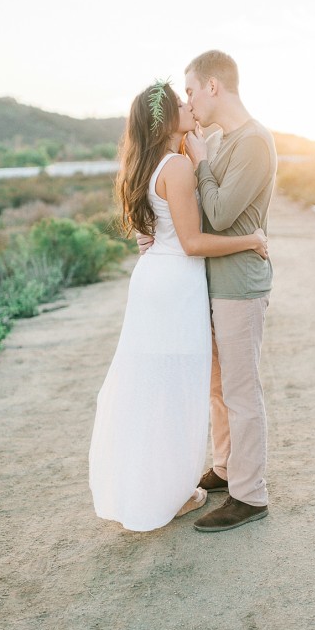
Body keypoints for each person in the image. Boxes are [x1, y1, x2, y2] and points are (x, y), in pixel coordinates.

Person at [88, 80, 268, 532]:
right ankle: (174, 491)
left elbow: (155, 230)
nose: (190, 106)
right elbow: (191, 242)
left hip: (152, 284)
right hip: (177, 287)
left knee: (154, 385)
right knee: (177, 392)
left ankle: (153, 485)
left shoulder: (149, 163)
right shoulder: (180, 168)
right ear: (168, 120)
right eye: (182, 103)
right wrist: (253, 239)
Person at [137, 51, 277, 532]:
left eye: (192, 89)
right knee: (218, 388)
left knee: (240, 391)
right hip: (211, 284)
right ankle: (224, 467)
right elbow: (192, 214)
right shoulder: (222, 142)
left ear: (213, 86)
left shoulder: (253, 142)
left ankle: (250, 494)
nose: (189, 100)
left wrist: (198, 161)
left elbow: (217, 213)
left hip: (239, 284)